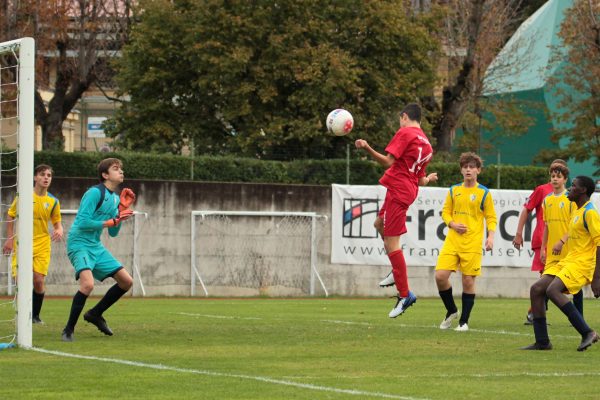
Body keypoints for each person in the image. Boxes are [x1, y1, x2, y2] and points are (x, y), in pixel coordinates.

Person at [355, 103, 436, 318]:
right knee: (378, 224)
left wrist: (366, 147)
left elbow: (387, 162)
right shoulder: (427, 144)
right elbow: (420, 179)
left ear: (404, 117)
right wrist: (428, 178)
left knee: (392, 244)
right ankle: (397, 271)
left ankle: (404, 294)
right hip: (405, 188)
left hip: (399, 190)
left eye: (400, 119)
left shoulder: (406, 132)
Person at [61, 158, 136, 342]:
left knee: (126, 281)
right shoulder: (94, 193)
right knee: (87, 285)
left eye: (121, 169)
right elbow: (83, 222)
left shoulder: (115, 198)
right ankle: (68, 329)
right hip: (79, 243)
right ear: (105, 175)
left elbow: (113, 232)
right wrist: (109, 221)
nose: (121, 172)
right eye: (116, 169)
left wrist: (121, 212)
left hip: (95, 246)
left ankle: (95, 314)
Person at [522, 176, 600, 351]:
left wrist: (596, 277)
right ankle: (542, 342)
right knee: (536, 290)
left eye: (573, 186)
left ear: (583, 191)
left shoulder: (590, 213)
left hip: (582, 264)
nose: (570, 189)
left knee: (552, 290)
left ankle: (588, 332)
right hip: (568, 260)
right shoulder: (577, 211)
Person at [512, 159, 582, 324]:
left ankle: (578, 319)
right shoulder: (543, 192)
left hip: (569, 247)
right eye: (553, 175)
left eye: (559, 175)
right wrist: (520, 234)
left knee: (568, 285)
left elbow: (575, 223)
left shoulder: (572, 196)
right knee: (544, 284)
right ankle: (536, 317)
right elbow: (529, 211)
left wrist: (564, 240)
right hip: (546, 245)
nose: (555, 178)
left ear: (565, 177)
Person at [434, 152, 497, 331]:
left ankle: (464, 322)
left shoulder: (484, 193)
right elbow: (445, 212)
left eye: (471, 167)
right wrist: (452, 224)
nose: (468, 170)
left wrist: (490, 237)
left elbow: (491, 217)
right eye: (465, 167)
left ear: (478, 170)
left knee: (468, 281)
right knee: (440, 276)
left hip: (472, 243)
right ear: (461, 170)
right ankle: (452, 310)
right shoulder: (454, 190)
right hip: (452, 241)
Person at [3, 164, 64, 324]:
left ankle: (35, 316)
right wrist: (9, 239)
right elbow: (10, 216)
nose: (46, 177)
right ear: (35, 177)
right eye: (42, 174)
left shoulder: (53, 201)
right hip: (22, 244)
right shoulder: (23, 195)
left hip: (42, 244)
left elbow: (57, 223)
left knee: (38, 280)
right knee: (20, 281)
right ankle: (23, 313)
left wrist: (59, 229)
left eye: (49, 175)